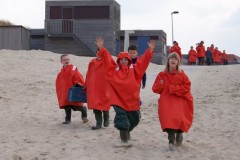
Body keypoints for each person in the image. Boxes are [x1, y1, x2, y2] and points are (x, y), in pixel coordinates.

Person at [95, 37, 155, 143]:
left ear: (129, 60)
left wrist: (149, 51)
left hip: (132, 100)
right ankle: (124, 140)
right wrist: (101, 48)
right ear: (118, 60)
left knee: (135, 119)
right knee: (122, 118)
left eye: (125, 59)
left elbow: (143, 61)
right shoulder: (113, 70)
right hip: (118, 100)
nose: (123, 61)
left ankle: (127, 131)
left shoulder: (135, 68)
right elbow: (107, 59)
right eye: (121, 59)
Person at [152, 52, 194, 151]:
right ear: (168, 61)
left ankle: (179, 134)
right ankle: (171, 141)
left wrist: (173, 88)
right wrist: (161, 85)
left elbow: (187, 87)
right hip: (166, 101)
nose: (173, 60)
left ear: (178, 62)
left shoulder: (182, 75)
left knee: (179, 119)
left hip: (180, 101)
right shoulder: (161, 75)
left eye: (175, 59)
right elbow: (155, 89)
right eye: (171, 58)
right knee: (169, 120)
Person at [56, 54, 89, 124]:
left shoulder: (73, 68)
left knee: (76, 105)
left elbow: (78, 77)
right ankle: (67, 120)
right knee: (66, 106)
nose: (66, 61)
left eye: (67, 59)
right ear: (61, 61)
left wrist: (79, 84)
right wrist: (60, 92)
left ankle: (83, 113)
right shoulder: (60, 73)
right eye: (64, 60)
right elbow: (59, 84)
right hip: (64, 92)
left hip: (73, 91)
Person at [85, 49, 111, 130]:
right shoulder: (92, 62)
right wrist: (86, 84)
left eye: (101, 53)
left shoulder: (107, 62)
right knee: (95, 106)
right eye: (97, 53)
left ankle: (106, 116)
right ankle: (98, 124)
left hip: (104, 86)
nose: (99, 54)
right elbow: (89, 73)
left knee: (104, 104)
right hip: (93, 87)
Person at [128, 45, 147, 118]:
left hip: (137, 83)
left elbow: (143, 73)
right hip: (127, 83)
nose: (132, 54)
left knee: (136, 97)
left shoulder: (139, 61)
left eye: (134, 53)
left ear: (137, 53)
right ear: (128, 53)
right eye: (130, 53)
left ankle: (138, 111)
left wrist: (144, 82)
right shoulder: (126, 61)